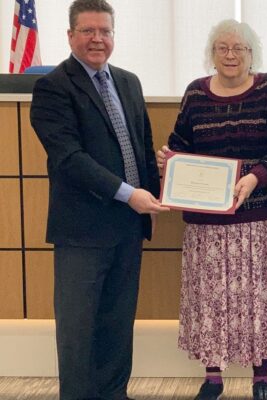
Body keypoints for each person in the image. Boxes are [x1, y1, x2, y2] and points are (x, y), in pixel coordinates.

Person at [29, 0, 167, 399]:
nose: (97, 39)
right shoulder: (53, 87)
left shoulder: (129, 81)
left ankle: (114, 394)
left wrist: (152, 201)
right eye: (88, 31)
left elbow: (141, 146)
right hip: (82, 232)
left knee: (117, 324)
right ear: (70, 35)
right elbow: (69, 159)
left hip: (128, 227)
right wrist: (130, 195)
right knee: (78, 331)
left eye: (105, 31)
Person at [156, 19, 267, 400]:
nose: (231, 55)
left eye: (239, 48)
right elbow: (178, 144)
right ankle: (213, 376)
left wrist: (256, 178)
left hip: (263, 216)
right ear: (212, 53)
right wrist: (168, 163)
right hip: (208, 222)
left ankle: (262, 377)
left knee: (261, 298)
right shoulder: (195, 94)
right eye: (223, 48)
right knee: (211, 298)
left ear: (252, 54)